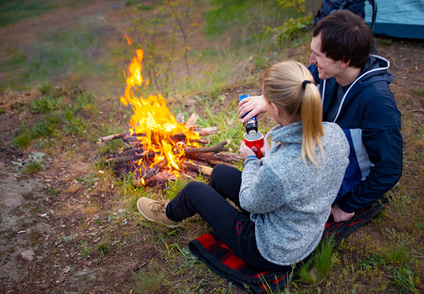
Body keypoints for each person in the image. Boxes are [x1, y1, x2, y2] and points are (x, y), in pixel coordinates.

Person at [137, 61, 349, 270]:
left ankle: (168, 214)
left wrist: (251, 160)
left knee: (194, 190)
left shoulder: (280, 168)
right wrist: (269, 152)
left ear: (273, 108)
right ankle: (213, 213)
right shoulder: (335, 134)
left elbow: (250, 201)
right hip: (304, 231)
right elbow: (302, 174)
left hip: (272, 250)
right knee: (219, 173)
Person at [238, 10, 403, 222]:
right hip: (321, 162)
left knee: (272, 201)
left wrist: (348, 205)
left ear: (343, 60)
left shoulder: (377, 103)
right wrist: (265, 99)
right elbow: (300, 82)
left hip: (345, 179)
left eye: (318, 55)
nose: (311, 60)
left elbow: (389, 168)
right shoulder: (327, 72)